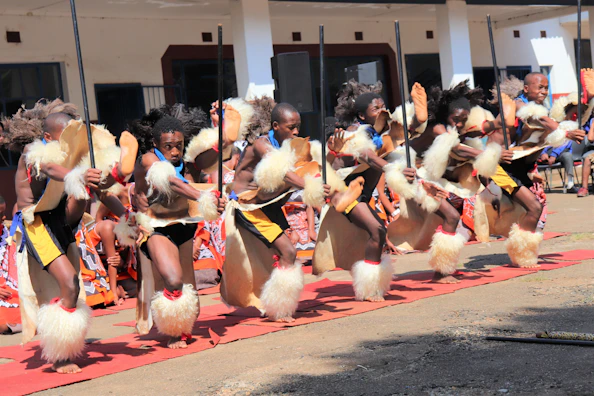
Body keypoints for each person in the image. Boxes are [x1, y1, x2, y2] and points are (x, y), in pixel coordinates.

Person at [221, 102, 362, 322]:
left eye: (298, 126)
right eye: (291, 127)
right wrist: (310, 186)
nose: (296, 131)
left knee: (279, 255)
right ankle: (279, 310)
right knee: (288, 253)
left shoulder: (292, 145)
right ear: (276, 125)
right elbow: (284, 173)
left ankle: (276, 306)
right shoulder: (262, 145)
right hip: (248, 206)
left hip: (269, 205)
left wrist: (333, 153)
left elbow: (314, 168)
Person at [125, 107, 225, 349]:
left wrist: (220, 131)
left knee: (188, 293)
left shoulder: (189, 163)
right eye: (168, 146)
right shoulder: (149, 159)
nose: (174, 151)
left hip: (184, 227)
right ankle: (172, 331)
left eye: (178, 145)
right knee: (173, 278)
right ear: (156, 143)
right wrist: (202, 197)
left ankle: (181, 326)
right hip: (156, 228)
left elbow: (216, 156)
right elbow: (170, 180)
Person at [312, 82, 418, 299]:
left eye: (383, 106)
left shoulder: (382, 134)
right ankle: (368, 289)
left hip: (364, 195)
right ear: (361, 115)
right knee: (377, 230)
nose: (383, 111)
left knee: (379, 232)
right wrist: (392, 169)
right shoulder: (355, 133)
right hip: (347, 193)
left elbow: (412, 131)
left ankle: (373, 284)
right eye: (376, 109)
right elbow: (366, 156)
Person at [0, 195, 21, 335]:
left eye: (3, 213)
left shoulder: (6, 235)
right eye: (0, 214)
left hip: (7, 291)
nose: (4, 218)